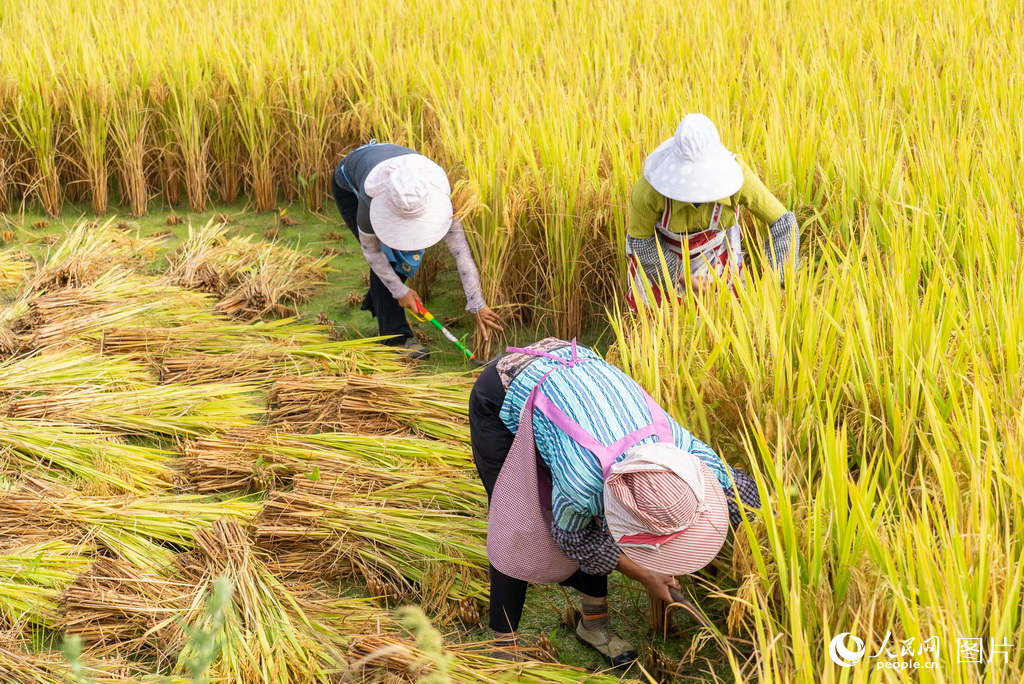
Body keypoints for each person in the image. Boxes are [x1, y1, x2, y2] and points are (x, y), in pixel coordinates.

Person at [469, 338, 762, 664]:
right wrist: (642, 572)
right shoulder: (585, 484)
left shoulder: (682, 451)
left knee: (597, 515)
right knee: (520, 518)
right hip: (505, 390)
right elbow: (575, 539)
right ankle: (505, 646)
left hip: (573, 370)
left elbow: (739, 494)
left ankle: (594, 623)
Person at [331, 141, 503, 359]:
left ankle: (379, 302)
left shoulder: (438, 190)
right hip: (349, 177)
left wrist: (476, 302)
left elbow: (461, 253)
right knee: (390, 259)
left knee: (398, 260)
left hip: (396, 167)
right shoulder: (368, 203)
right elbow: (373, 253)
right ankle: (396, 338)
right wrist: (400, 292)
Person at [626, 113, 799, 307]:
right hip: (660, 261)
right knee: (662, 320)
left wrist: (779, 284)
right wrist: (683, 277)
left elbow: (783, 222)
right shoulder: (649, 189)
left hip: (714, 254)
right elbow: (640, 242)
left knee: (720, 313)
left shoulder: (738, 177)